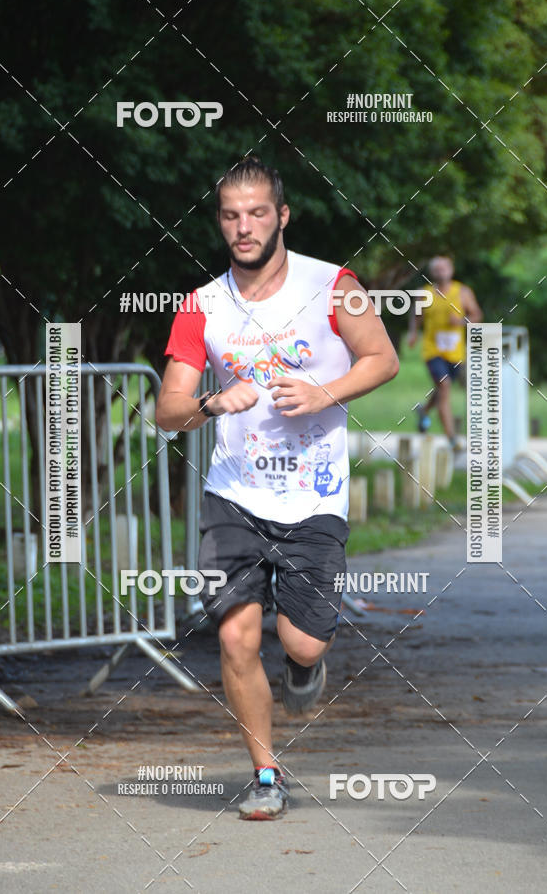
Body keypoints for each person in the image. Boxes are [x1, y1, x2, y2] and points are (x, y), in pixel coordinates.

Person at [156, 156, 399, 820]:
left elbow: (384, 357)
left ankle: (302, 668)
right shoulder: (201, 305)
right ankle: (265, 774)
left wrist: (324, 390)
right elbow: (166, 409)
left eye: (258, 212)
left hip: (314, 493)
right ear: (219, 223)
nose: (245, 226)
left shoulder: (334, 286)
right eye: (232, 215)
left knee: (302, 642)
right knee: (235, 637)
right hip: (233, 493)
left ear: (282, 216)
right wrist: (210, 403)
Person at [408, 255, 483, 450]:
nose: (441, 272)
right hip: (432, 350)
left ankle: (424, 411)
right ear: (432, 272)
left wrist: (461, 322)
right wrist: (413, 333)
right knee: (445, 385)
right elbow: (416, 316)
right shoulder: (424, 293)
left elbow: (476, 315)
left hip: (456, 353)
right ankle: (452, 440)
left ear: (451, 270)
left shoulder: (463, 292)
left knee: (442, 389)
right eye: (437, 269)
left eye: (445, 268)